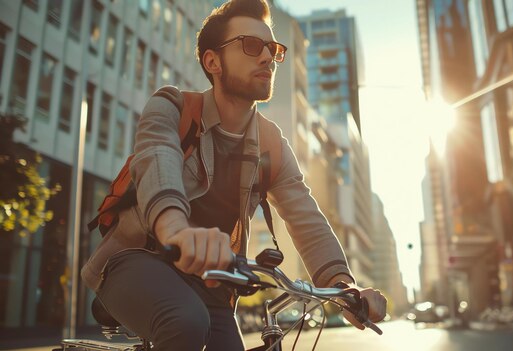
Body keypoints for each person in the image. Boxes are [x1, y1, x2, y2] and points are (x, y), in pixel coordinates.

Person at [80, 0, 387, 350]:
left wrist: (344, 285)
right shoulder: (173, 107)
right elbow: (157, 162)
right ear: (213, 61)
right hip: (136, 259)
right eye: (252, 45)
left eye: (272, 49)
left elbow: (305, 215)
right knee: (186, 322)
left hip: (212, 283)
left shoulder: (271, 143)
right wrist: (176, 231)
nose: (267, 57)